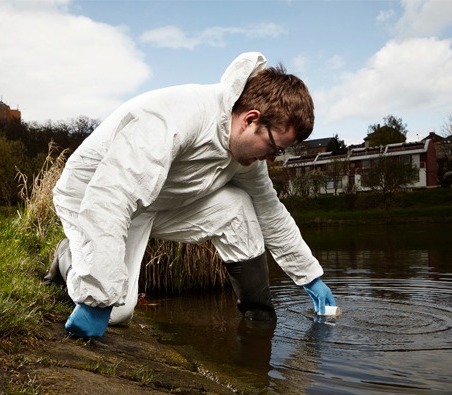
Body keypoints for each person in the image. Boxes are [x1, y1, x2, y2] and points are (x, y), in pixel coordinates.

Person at [48, 52, 336, 339]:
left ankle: (259, 320)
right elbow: (112, 196)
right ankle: (67, 256)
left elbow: (270, 212)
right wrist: (96, 299)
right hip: (92, 194)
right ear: (251, 119)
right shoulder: (174, 116)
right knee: (116, 312)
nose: (272, 159)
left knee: (238, 205)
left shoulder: (246, 156)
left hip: (156, 202)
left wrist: (310, 277)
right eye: (274, 148)